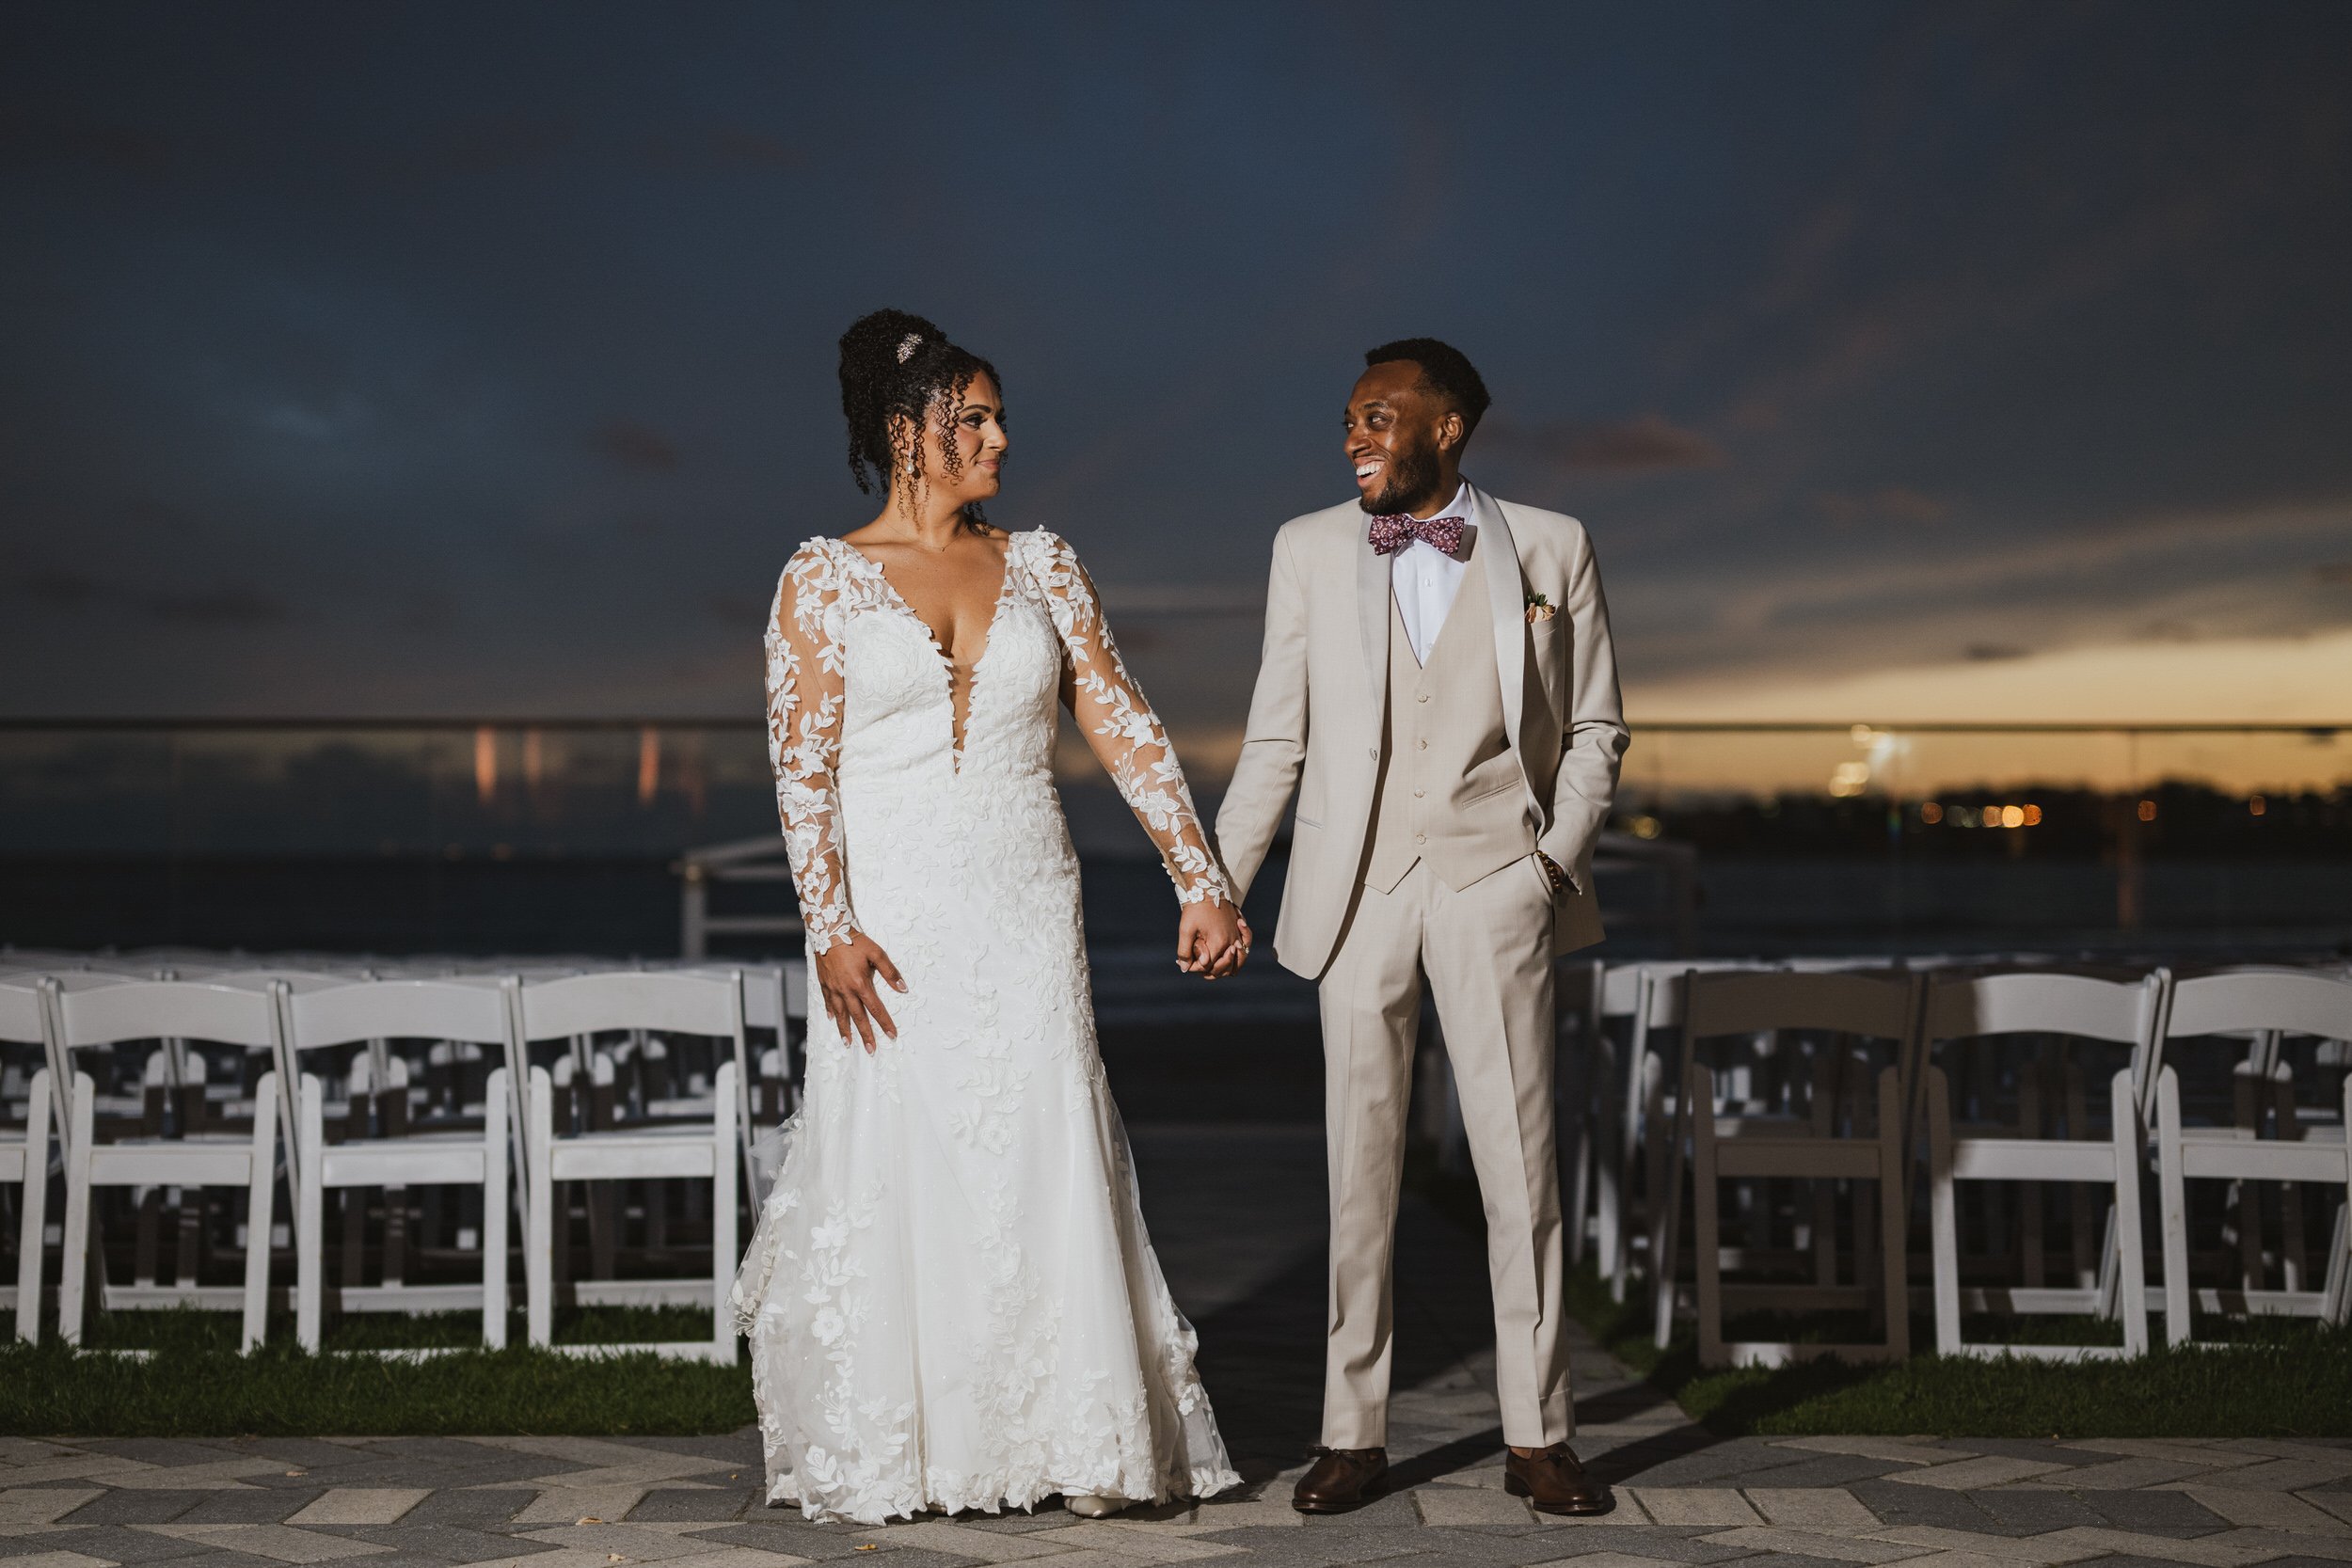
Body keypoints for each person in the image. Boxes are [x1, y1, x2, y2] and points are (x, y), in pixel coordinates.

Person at [732, 309, 1247, 1526]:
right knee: (910, 1155)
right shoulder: (821, 579)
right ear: (908, 432)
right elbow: (801, 770)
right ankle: (914, 1445)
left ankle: (1080, 1433)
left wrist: (1199, 871)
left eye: (999, 415)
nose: (1002, 438)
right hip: (895, 920)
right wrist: (828, 923)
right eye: (975, 417)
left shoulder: (1046, 563)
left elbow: (1121, 718)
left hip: (1025, 899)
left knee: (1041, 1135)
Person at [1215, 339, 1629, 1515]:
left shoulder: (1551, 544)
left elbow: (1596, 728)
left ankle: (1539, 1432)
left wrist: (1550, 861)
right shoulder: (1304, 548)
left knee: (1519, 1165)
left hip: (1497, 876)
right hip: (1357, 892)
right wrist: (1221, 879)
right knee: (1360, 1170)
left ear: (1447, 428)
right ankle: (1351, 1430)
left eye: (1380, 415)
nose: (1354, 434)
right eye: (1347, 416)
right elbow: (1274, 739)